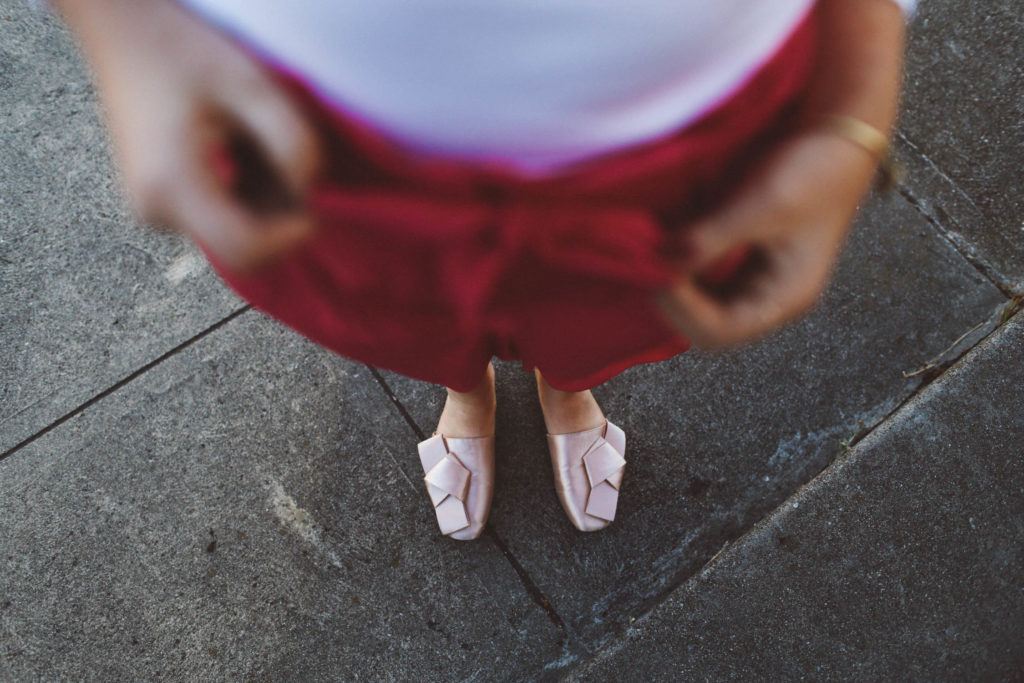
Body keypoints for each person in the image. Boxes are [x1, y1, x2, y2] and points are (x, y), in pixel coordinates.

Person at [51, 0, 913, 540]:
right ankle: (466, 390)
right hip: (319, 135)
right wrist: (128, 27)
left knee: (604, 325)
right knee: (411, 327)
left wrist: (853, 100)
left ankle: (567, 387)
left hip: (683, 141)